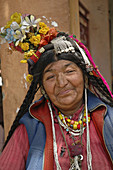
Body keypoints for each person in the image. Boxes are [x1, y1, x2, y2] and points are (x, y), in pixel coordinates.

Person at [0, 12, 113, 170]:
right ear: (43, 88)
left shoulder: (109, 119)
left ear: (85, 76)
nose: (61, 83)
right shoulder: (29, 128)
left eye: (69, 72)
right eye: (50, 77)